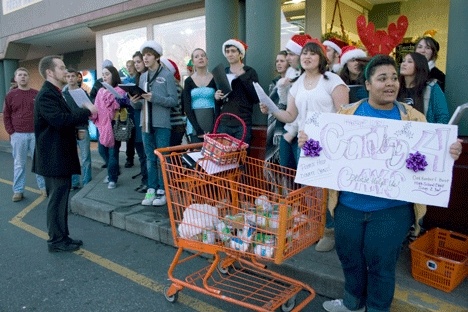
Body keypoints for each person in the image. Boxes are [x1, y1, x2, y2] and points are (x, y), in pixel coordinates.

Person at [296, 55, 462, 312]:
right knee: (349, 258)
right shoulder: (347, 114)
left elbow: (433, 152)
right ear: (368, 84)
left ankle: (376, 308)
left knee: (381, 265)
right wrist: (308, 141)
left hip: (392, 210)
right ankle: (352, 303)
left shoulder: (414, 119)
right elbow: (326, 148)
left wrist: (448, 152)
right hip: (348, 206)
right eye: (382, 78)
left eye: (394, 78)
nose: (390, 83)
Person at [260, 39, 349, 253]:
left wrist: (327, 135)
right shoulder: (297, 83)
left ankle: (331, 229)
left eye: (313, 53)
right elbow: (290, 115)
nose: (307, 57)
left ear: (321, 58)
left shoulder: (332, 80)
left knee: (330, 188)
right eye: (304, 54)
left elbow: (345, 114)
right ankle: (317, 225)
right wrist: (271, 108)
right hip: (305, 143)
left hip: (330, 143)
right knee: (310, 188)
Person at [33, 55, 97, 252]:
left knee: (61, 199)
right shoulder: (46, 95)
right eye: (61, 68)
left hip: (59, 155)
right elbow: (60, 120)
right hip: (53, 158)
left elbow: (61, 121)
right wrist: (87, 110)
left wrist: (74, 128)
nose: (65, 71)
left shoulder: (55, 92)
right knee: (57, 200)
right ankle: (56, 240)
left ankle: (63, 237)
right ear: (50, 72)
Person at [132, 40, 178, 206]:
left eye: (149, 55)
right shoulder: (143, 76)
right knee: (149, 158)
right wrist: (133, 100)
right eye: (144, 55)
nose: (145, 58)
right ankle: (151, 189)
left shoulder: (166, 75)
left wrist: (155, 98)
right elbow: (137, 105)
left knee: (161, 158)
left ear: (157, 57)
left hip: (162, 123)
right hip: (145, 122)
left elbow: (174, 101)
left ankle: (163, 191)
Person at [3, 67, 46, 202]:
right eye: (20, 75)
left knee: (39, 162)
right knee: (19, 164)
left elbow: (42, 114)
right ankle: (18, 190)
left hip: (35, 134)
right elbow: (6, 115)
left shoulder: (36, 94)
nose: (23, 77)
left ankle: (44, 187)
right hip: (18, 135)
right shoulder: (11, 95)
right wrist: (11, 132)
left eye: (25, 75)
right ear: (16, 78)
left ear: (28, 78)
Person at [215, 39, 259, 146]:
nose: (230, 54)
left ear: (240, 54)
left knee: (240, 158)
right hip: (224, 121)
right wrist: (217, 97)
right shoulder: (223, 72)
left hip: (242, 123)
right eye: (227, 51)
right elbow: (220, 102)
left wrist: (242, 76)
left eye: (233, 51)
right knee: (223, 159)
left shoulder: (249, 71)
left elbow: (255, 97)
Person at [91, 65, 130, 189]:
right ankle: (112, 170)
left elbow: (124, 104)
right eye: (103, 74)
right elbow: (96, 106)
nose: (104, 76)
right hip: (102, 125)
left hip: (114, 123)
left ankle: (112, 178)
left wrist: (120, 101)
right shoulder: (101, 91)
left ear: (114, 75)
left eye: (107, 74)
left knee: (113, 153)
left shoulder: (120, 90)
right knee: (102, 151)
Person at [398, 52, 449, 124]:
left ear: (419, 65)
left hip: (425, 132)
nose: (403, 64)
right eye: (403, 61)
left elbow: (442, 116)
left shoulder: (432, 87)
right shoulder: (395, 87)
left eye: (409, 61)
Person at [62, 68, 92, 190]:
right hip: (68, 129)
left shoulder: (82, 93)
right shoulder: (63, 94)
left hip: (82, 128)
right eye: (68, 76)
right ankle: (74, 182)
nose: (70, 79)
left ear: (77, 77)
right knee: (71, 157)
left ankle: (86, 183)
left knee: (85, 157)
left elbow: (88, 111)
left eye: (72, 76)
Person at [183, 48, 218, 143]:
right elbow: (186, 106)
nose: (200, 58)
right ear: (193, 61)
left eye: (203, 56)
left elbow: (219, 103)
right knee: (196, 154)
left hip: (212, 120)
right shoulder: (188, 81)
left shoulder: (215, 79)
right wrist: (197, 129)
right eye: (197, 56)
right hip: (195, 123)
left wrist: (214, 127)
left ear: (207, 60)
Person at [130, 51, 149, 193]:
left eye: (138, 61)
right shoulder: (137, 79)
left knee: (148, 155)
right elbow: (137, 105)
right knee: (141, 154)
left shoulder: (149, 77)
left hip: (147, 120)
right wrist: (131, 100)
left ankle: (149, 182)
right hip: (137, 119)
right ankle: (145, 180)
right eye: (135, 62)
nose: (136, 64)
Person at [161, 57, 186, 147]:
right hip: (172, 126)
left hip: (175, 126)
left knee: (172, 155)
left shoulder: (175, 86)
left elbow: (175, 105)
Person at [268, 50, 290, 150]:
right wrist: (265, 108)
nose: (279, 63)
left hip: (287, 126)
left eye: (282, 61)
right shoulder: (273, 83)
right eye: (277, 61)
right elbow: (271, 107)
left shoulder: (293, 83)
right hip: (273, 123)